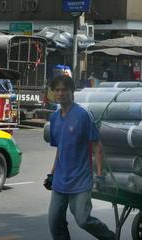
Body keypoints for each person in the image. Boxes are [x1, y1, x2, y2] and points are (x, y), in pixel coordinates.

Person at [46, 75, 115, 240]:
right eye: (57, 90)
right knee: (54, 222)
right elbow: (60, 148)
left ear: (72, 92)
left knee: (83, 220)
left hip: (81, 179)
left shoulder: (83, 115)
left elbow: (97, 146)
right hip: (60, 180)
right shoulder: (54, 118)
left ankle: (109, 237)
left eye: (64, 90)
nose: (60, 93)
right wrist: (52, 173)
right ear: (53, 93)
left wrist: (100, 175)